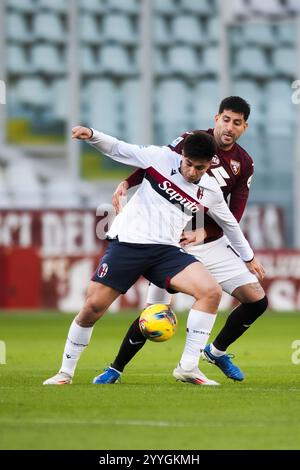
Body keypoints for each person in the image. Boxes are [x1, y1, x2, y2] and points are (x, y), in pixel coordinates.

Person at [43, 126, 263, 386]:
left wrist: (248, 257)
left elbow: (230, 225)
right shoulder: (160, 158)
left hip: (166, 251)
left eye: (199, 168)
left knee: (210, 292)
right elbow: (118, 148)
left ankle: (189, 367)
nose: (192, 172)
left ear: (209, 166)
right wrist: (91, 135)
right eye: (189, 164)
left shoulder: (210, 191)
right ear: (182, 156)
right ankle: (65, 373)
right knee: (92, 308)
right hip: (128, 243)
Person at [96, 96, 268, 385]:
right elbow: (153, 164)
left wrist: (206, 233)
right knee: (155, 313)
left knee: (256, 299)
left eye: (236, 123)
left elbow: (234, 212)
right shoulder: (191, 141)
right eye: (226, 119)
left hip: (209, 242)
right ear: (216, 119)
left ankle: (214, 352)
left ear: (244, 127)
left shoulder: (244, 163)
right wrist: (128, 181)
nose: (229, 127)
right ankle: (116, 367)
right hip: (171, 242)